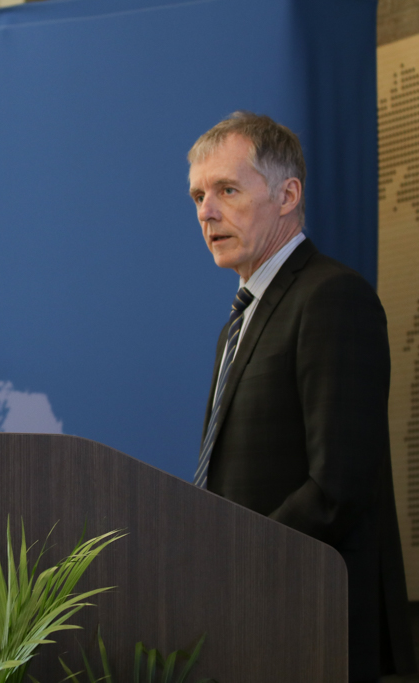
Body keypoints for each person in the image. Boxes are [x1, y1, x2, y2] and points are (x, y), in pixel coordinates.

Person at [187, 111, 415, 682]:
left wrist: (235, 558)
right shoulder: (239, 322)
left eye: (227, 190)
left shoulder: (332, 297)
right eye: (197, 196)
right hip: (254, 616)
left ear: (287, 195)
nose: (207, 212)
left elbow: (338, 487)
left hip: (315, 621)